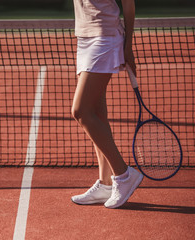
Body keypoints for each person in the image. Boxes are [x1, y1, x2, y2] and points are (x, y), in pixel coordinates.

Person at [70, 0, 143, 209]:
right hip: (84, 37)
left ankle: (123, 174)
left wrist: (128, 47)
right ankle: (105, 183)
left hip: (105, 36)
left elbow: (129, 4)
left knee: (81, 111)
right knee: (96, 114)